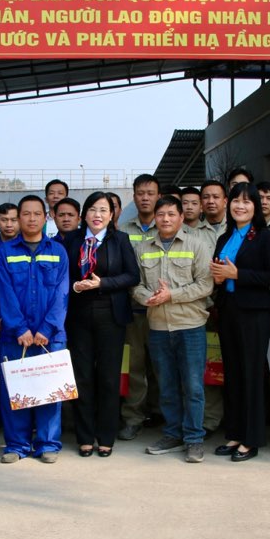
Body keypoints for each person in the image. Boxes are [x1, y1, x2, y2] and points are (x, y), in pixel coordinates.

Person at [134, 196, 214, 463]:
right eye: (161, 214)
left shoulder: (198, 245)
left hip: (190, 325)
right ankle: (172, 434)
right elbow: (136, 284)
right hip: (157, 326)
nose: (165, 219)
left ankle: (193, 439)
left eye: (171, 214)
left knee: (192, 386)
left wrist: (172, 296)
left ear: (181, 217)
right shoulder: (143, 248)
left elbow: (205, 285)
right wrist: (148, 297)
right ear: (154, 218)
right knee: (166, 385)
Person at [62, 191, 139, 457]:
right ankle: (84, 436)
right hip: (78, 315)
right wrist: (75, 285)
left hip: (111, 316)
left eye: (104, 210)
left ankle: (106, 435)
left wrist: (102, 283)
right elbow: (61, 277)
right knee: (82, 377)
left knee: (108, 377)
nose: (98, 215)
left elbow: (132, 276)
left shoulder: (120, 240)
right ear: (84, 214)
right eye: (93, 209)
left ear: (111, 215)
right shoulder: (71, 240)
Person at [210, 183, 270, 461]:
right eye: (236, 201)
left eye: (247, 202)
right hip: (228, 311)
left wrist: (238, 274)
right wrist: (218, 277)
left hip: (254, 314)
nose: (240, 206)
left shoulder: (264, 237)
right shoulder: (224, 236)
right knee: (233, 374)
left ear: (256, 206)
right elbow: (219, 273)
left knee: (252, 374)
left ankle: (251, 439)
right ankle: (235, 433)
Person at [0, 195, 70, 463]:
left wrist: (48, 328)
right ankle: (16, 445)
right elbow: (4, 292)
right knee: (16, 392)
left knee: (49, 390)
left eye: (36, 214)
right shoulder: (5, 252)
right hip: (16, 337)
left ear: (45, 217)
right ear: (18, 218)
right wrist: (19, 328)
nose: (31, 219)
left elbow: (62, 294)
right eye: (25, 214)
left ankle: (48, 444)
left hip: (50, 337)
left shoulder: (58, 251)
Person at [117, 174, 161, 440]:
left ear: (158, 195)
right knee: (134, 367)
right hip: (132, 311)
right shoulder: (123, 230)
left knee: (162, 366)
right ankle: (133, 417)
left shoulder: (169, 226)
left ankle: (158, 412)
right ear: (134, 196)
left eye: (150, 193)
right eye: (140, 193)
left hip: (163, 310)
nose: (145, 198)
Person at [198, 179, 230, 434]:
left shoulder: (240, 228)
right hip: (204, 310)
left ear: (225, 200)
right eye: (206, 197)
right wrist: (208, 304)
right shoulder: (192, 233)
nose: (210, 201)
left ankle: (236, 418)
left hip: (234, 306)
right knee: (210, 366)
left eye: (215, 196)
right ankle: (210, 420)